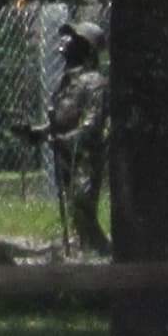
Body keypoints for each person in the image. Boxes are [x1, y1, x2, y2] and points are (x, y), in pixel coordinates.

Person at [34, 20, 110, 252]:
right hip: (66, 154)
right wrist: (42, 131)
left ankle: (101, 251)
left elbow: (92, 123)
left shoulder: (95, 82)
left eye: (72, 38)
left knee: (81, 203)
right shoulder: (68, 80)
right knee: (72, 205)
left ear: (85, 47)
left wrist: (66, 139)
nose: (63, 40)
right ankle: (85, 247)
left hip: (85, 154)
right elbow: (62, 117)